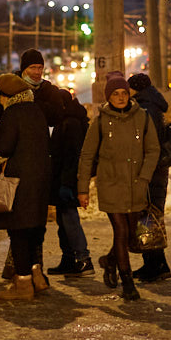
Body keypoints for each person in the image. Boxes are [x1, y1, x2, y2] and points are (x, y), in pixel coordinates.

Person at [77, 70, 159, 301]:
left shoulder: (141, 117)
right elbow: (86, 156)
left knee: (131, 234)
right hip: (111, 184)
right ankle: (127, 281)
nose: (121, 97)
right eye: (116, 94)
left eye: (124, 93)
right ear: (109, 97)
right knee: (121, 231)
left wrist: (144, 178)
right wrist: (83, 189)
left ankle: (110, 261)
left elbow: (153, 150)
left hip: (135, 185)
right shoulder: (101, 121)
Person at [0, 72, 53, 300]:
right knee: (34, 229)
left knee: (18, 231)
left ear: (6, 96)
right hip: (41, 178)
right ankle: (37, 276)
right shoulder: (36, 111)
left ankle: (23, 284)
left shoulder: (13, 114)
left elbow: (4, 147)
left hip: (20, 182)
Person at [129, 72, 171, 282]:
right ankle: (157, 264)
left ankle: (155, 266)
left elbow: (147, 143)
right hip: (156, 169)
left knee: (149, 217)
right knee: (150, 216)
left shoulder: (146, 108)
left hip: (151, 170)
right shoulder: (152, 105)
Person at [47, 89, 94, 275]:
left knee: (70, 220)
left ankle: (83, 259)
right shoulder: (68, 119)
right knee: (64, 222)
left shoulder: (70, 122)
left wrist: (67, 184)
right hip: (63, 180)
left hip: (67, 181)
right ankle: (68, 260)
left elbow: (73, 156)